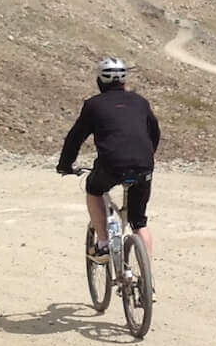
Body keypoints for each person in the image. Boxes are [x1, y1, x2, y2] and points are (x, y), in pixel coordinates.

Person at [57, 57, 160, 261]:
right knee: (139, 223)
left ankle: (103, 244)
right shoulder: (140, 102)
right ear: (124, 81)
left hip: (112, 165)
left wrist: (65, 165)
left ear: (100, 81)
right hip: (144, 165)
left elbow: (75, 138)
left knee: (94, 189)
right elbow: (154, 133)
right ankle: (147, 279)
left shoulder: (93, 105)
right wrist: (145, 158)